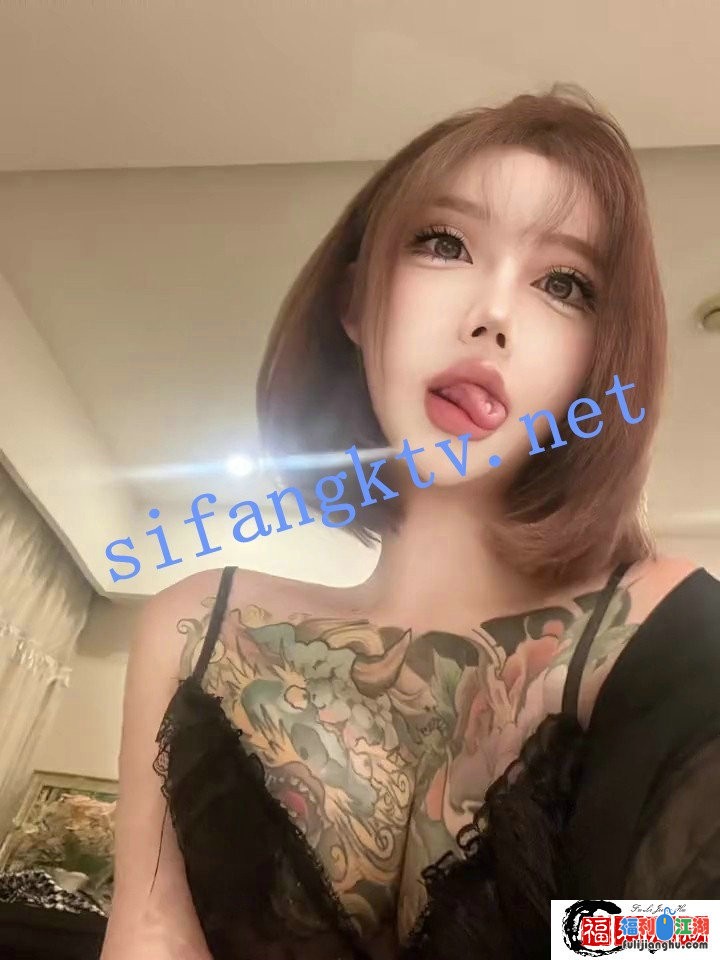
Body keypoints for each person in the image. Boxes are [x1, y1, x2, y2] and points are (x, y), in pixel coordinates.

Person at [100, 84, 720, 960]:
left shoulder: (672, 632)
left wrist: (574, 933)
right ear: (356, 303)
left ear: (599, 363)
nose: (492, 316)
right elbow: (149, 936)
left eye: (563, 284)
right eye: (444, 243)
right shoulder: (195, 629)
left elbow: (702, 933)